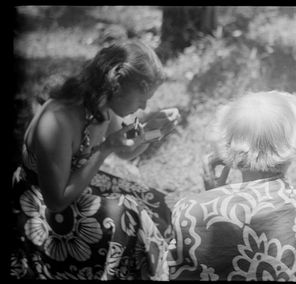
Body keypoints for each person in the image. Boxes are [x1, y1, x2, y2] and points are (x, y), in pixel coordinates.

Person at [10, 40, 180, 280]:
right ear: (116, 85)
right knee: (127, 215)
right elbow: (55, 200)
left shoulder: (101, 106)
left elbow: (126, 149)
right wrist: (105, 148)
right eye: (142, 98)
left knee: (159, 202)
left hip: (77, 187)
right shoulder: (57, 119)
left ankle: (176, 268)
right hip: (38, 211)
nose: (144, 106)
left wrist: (154, 132)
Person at [167, 91, 296, 281]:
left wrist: (214, 196)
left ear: (227, 147)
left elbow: (176, 272)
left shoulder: (191, 212)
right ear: (294, 144)